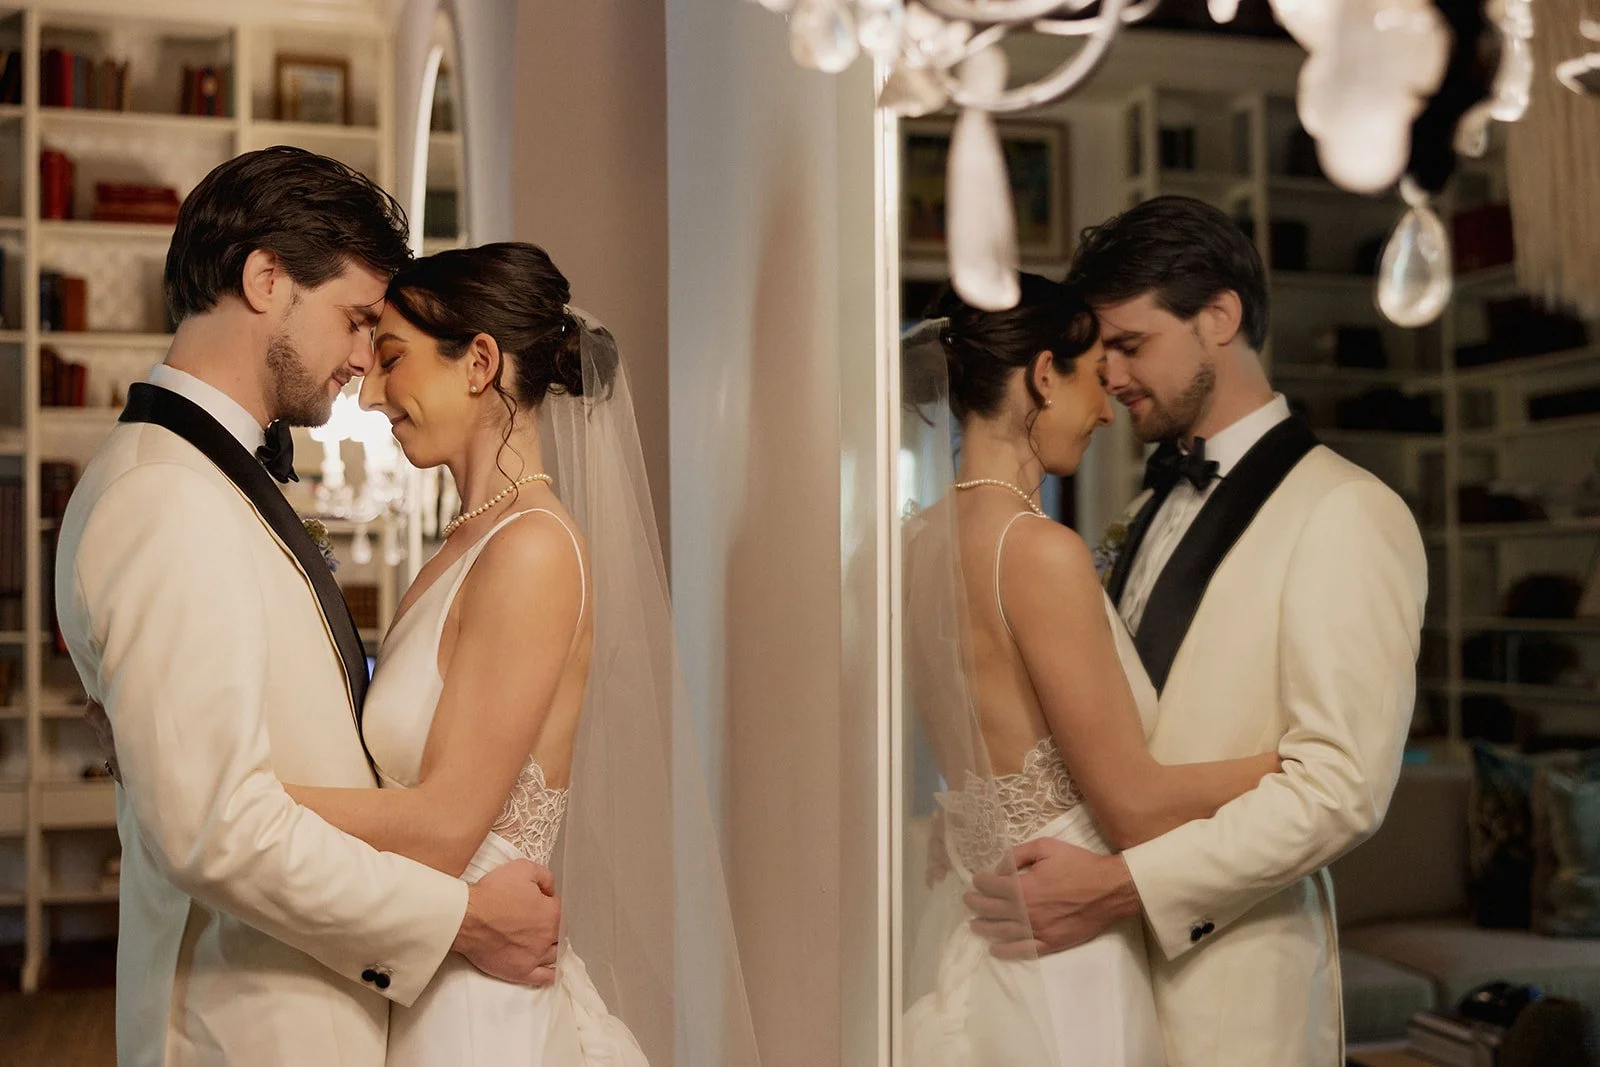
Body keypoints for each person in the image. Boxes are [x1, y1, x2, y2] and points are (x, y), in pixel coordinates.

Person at [54, 147, 561, 1067]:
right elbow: (215, 829)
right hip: (245, 1029)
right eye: (357, 319)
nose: (365, 361)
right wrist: (461, 922)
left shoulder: (203, 480)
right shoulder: (163, 497)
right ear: (265, 279)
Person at [270, 242, 760, 1065]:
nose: (373, 390)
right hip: (427, 972)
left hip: (474, 1013)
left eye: (393, 360)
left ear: (480, 363)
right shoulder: (465, 543)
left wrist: (243, 795)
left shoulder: (533, 549)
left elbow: (442, 827)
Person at [967, 196, 1429, 1067]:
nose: (1109, 378)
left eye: (1132, 345)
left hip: (1233, 994)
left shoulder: (1348, 513)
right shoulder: (1143, 507)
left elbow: (1341, 789)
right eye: (1100, 356)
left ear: (1220, 316)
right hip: (1097, 988)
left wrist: (1118, 887)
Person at [901, 273, 1283, 1065]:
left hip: (972, 924)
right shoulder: (1038, 550)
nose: (1107, 407)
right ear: (1043, 374)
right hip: (1063, 951)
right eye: (1089, 379)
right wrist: (1294, 763)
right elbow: (1135, 804)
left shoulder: (909, 546)